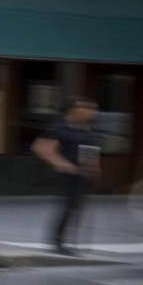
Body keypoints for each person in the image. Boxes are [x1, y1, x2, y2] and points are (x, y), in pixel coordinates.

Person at [32, 97, 100, 256]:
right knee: (67, 207)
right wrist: (62, 164)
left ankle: (67, 241)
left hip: (82, 174)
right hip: (66, 175)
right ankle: (57, 242)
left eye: (92, 109)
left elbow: (89, 151)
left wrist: (94, 169)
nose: (91, 112)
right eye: (85, 108)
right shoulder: (60, 128)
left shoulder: (86, 130)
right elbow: (41, 147)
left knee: (76, 207)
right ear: (74, 110)